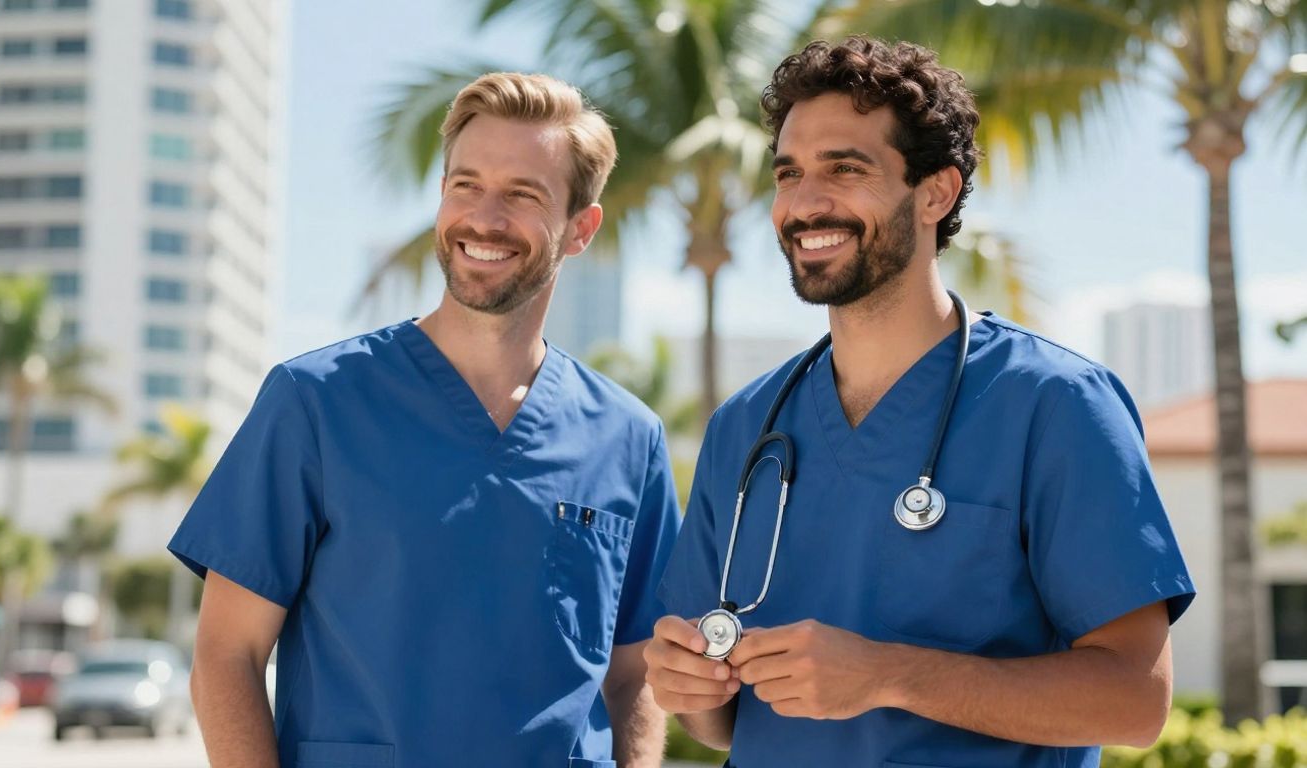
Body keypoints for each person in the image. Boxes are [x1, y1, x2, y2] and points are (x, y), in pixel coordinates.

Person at [645, 36, 1195, 767]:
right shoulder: (747, 425)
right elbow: (722, 725)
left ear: (934, 191)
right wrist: (692, 687)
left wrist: (885, 675)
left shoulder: (1055, 405)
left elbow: (1134, 702)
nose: (806, 204)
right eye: (789, 174)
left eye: (845, 168)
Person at [170, 72, 680, 768]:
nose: (484, 217)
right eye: (465, 185)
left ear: (580, 230)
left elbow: (633, 676)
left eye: (523, 194)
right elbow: (227, 656)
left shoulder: (629, 439)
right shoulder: (314, 402)